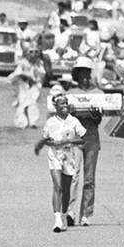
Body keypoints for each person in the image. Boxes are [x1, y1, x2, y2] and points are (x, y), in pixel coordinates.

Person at [34, 92, 85, 232]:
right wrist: (51, 143)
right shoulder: (50, 122)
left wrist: (67, 141)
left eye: (66, 102)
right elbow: (45, 139)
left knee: (67, 189)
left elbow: (82, 138)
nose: (65, 105)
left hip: (69, 155)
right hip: (55, 155)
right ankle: (57, 220)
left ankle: (63, 216)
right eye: (62, 103)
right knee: (58, 186)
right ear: (55, 105)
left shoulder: (73, 121)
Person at [67, 57, 103, 227]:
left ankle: (86, 214)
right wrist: (71, 113)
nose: (84, 76)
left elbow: (98, 120)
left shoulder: (98, 94)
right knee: (73, 175)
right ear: (77, 75)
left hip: (91, 136)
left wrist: (95, 113)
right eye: (81, 73)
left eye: (87, 72)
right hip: (75, 136)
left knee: (89, 178)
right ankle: (70, 211)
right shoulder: (71, 93)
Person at [8, 49, 46, 128]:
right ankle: (22, 122)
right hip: (23, 84)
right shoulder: (23, 63)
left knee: (33, 102)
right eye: (31, 52)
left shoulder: (39, 63)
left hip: (35, 85)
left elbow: (42, 73)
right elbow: (18, 73)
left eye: (36, 52)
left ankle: (33, 122)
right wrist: (26, 77)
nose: (34, 54)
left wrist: (37, 80)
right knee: (23, 103)